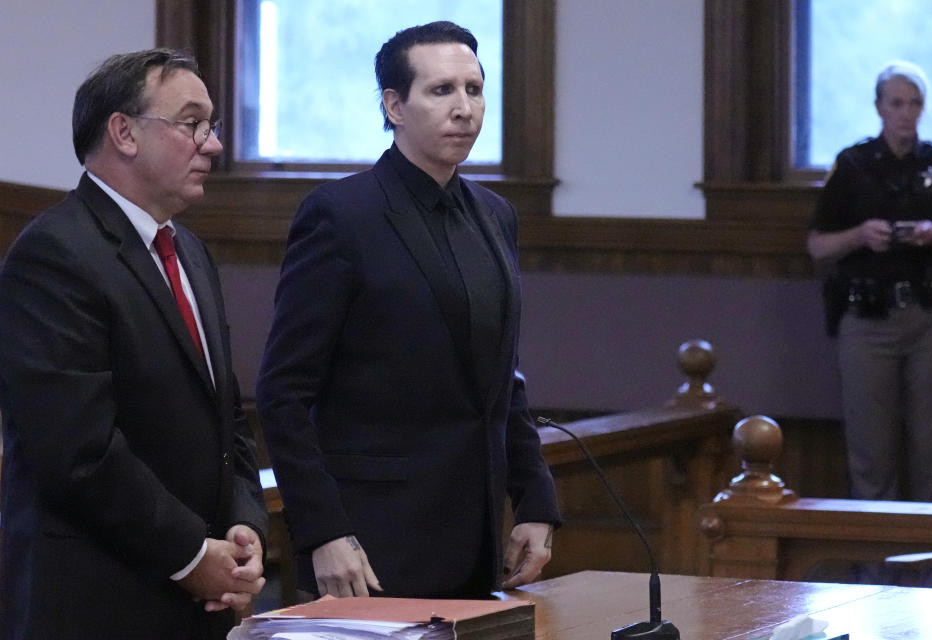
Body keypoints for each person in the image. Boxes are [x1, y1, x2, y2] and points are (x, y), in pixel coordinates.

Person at [256, 21, 561, 600]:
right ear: (394, 106)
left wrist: (535, 499)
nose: (465, 108)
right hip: (369, 539)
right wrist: (323, 531)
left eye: (474, 89)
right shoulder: (340, 214)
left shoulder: (496, 215)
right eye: (441, 90)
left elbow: (502, 379)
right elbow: (283, 391)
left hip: (476, 532)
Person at [0, 49, 268, 639]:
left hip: (199, 603)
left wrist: (246, 527)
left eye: (213, 125)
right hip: (97, 602)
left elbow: (227, 419)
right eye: (192, 123)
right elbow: (79, 451)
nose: (213, 144)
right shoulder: (55, 254)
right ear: (123, 131)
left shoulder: (190, 252)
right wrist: (191, 555)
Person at [808, 60, 932, 502]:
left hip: (930, 315)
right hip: (868, 319)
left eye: (914, 103)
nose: (906, 113)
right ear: (879, 107)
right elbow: (817, 247)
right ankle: (872, 569)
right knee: (871, 452)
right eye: (896, 103)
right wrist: (860, 235)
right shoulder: (853, 165)